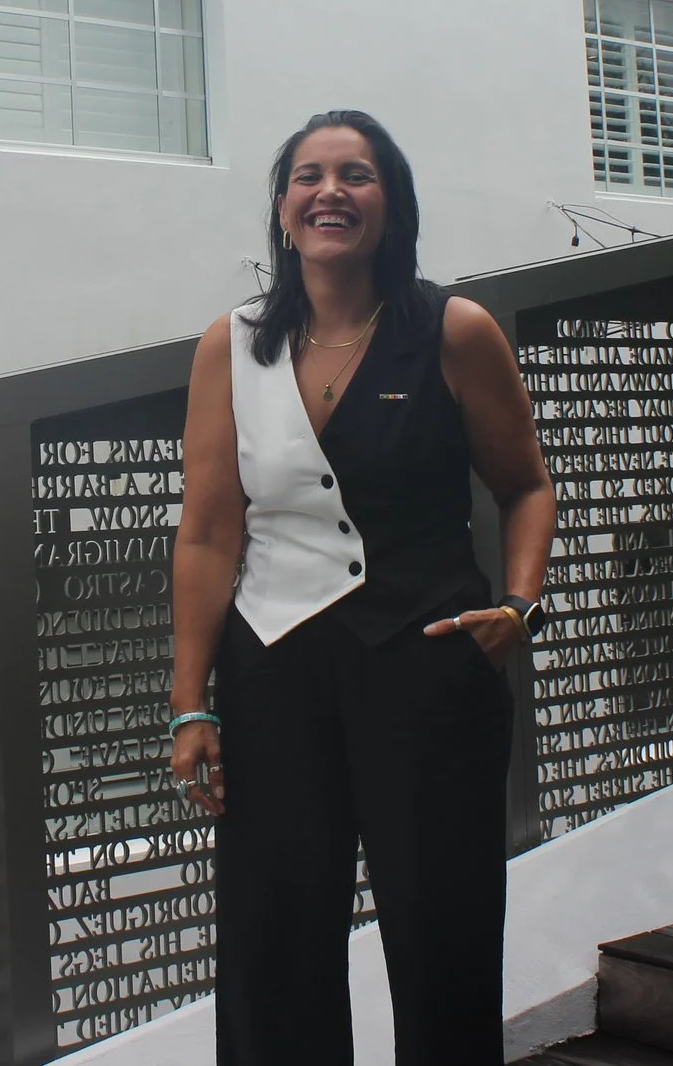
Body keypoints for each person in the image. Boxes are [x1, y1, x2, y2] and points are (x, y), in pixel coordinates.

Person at [169, 109, 559, 1065]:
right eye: (309, 175)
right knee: (275, 940)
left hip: (429, 669)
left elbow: (527, 487)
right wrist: (189, 704)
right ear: (282, 205)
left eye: (357, 174)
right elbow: (210, 530)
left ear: (393, 202)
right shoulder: (233, 343)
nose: (330, 191)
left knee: (441, 935)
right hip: (273, 675)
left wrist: (518, 603)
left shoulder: (451, 329)